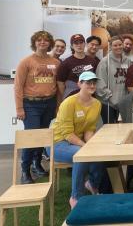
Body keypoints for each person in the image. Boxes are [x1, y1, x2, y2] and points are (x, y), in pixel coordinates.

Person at [49, 71, 103, 209]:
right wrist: (85, 146)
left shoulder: (96, 104)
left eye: (93, 83)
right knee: (82, 155)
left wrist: (90, 145)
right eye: (87, 82)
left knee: (98, 152)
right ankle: (75, 197)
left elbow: (89, 129)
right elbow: (67, 133)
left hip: (77, 142)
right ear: (79, 84)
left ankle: (92, 184)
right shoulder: (68, 103)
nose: (91, 85)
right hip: (57, 142)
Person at [14, 30, 60, 184]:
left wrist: (58, 106)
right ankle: (25, 171)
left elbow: (58, 86)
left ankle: (37, 164)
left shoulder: (55, 63)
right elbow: (18, 86)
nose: (42, 42)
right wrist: (19, 108)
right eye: (39, 40)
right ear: (34, 43)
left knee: (43, 136)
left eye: (46, 40)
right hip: (31, 104)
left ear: (49, 43)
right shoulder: (26, 62)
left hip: (49, 103)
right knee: (31, 138)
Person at [95, 35, 132, 124]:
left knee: (123, 128)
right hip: (108, 102)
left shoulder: (128, 61)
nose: (118, 47)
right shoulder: (104, 62)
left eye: (120, 44)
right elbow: (100, 82)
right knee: (109, 129)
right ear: (111, 47)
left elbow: (131, 80)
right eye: (115, 45)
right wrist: (110, 97)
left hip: (123, 102)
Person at [57, 33, 99, 99]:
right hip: (72, 97)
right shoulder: (66, 63)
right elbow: (60, 82)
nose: (79, 45)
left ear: (85, 44)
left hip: (89, 96)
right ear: (72, 46)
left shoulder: (93, 61)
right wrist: (66, 97)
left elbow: (96, 79)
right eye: (76, 43)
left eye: (81, 42)